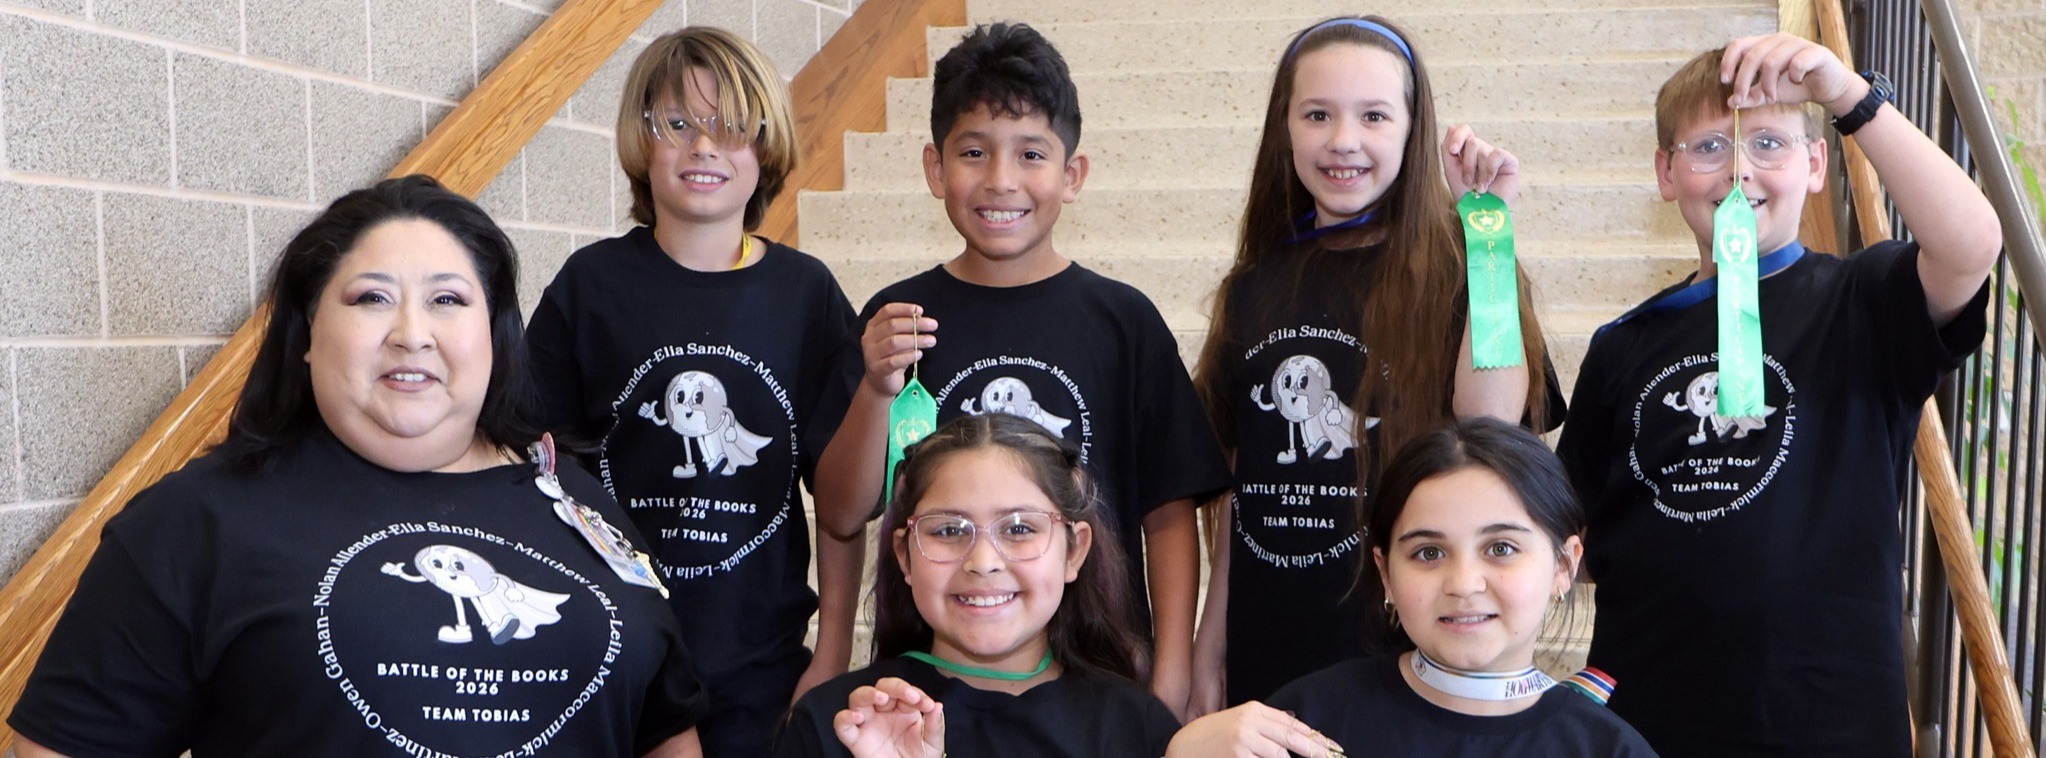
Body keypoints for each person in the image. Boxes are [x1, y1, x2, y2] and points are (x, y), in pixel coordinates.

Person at [7, 175, 708, 757]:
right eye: (372, 297)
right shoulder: (196, 522)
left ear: (493, 337)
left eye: (448, 300)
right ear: (308, 333)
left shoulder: (580, 504)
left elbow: (664, 730)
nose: (412, 333)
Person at [1555, 33, 2000, 756]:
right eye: (1707, 149)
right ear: (1666, 174)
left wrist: (1848, 96)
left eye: (1769, 142)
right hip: (1647, 719)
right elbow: (1565, 522)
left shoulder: (1863, 301)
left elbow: (1972, 244)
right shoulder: (1624, 343)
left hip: (1828, 717)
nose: (1738, 171)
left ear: (1817, 164)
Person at [808, 21, 1231, 718]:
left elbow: (1168, 514)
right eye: (973, 152)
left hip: (1100, 675)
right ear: (935, 168)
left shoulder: (1122, 321)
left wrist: (1174, 669)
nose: (1000, 180)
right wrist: (877, 390)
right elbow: (846, 510)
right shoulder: (899, 317)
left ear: (1072, 176)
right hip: (928, 684)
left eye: (1030, 154)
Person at [1188, 15, 1562, 712]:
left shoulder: (1458, 267)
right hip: (1267, 653)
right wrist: (1210, 648)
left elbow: (1492, 421)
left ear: (1412, 131)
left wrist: (1488, 239)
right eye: (1318, 114)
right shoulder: (1255, 285)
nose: (1344, 141)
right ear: (1285, 128)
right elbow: (1236, 494)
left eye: (1374, 116)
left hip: (1403, 653)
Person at [523, 26, 862, 753]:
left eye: (730, 127)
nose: (704, 147)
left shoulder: (806, 295)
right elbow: (531, 473)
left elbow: (841, 507)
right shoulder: (590, 287)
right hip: (614, 655)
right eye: (678, 124)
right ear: (642, 142)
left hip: (759, 662)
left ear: (765, 146)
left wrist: (832, 650)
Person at [1170, 418, 1656, 756]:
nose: (1463, 583)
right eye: (1428, 553)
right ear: (1385, 573)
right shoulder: (1302, 724)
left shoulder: (1610, 749)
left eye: (1501, 548)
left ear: (1564, 566)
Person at [776, 413, 1180, 757]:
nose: (983, 562)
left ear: (1074, 551)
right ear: (905, 555)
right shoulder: (834, 725)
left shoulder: (1136, 731)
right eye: (950, 530)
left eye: (1019, 528)